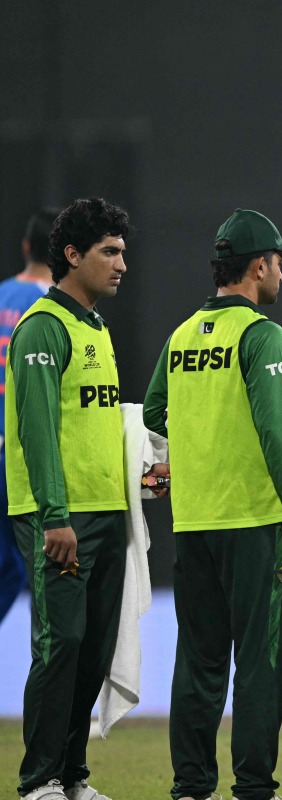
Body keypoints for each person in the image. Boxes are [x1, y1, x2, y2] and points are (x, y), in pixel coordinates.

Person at [143, 208, 282, 800]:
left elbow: (151, 415)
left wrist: (188, 456)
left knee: (197, 664)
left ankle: (190, 788)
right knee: (260, 662)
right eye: (278, 262)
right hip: (254, 524)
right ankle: (253, 789)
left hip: (193, 523)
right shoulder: (261, 334)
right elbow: (275, 429)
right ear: (257, 266)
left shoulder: (180, 336)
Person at [7, 198, 131, 800]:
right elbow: (35, 429)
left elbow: (94, 426)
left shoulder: (95, 329)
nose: (121, 264)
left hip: (106, 511)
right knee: (61, 644)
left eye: (123, 251)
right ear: (72, 256)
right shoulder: (42, 327)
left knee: (93, 648)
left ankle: (72, 776)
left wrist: (140, 476)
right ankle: (38, 783)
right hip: (59, 516)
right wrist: (55, 515)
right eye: (109, 251)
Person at [0, 208, 57, 630]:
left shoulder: (1, 296)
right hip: (25, 463)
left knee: (9, 570)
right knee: (42, 575)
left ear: (25, 247)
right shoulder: (59, 312)